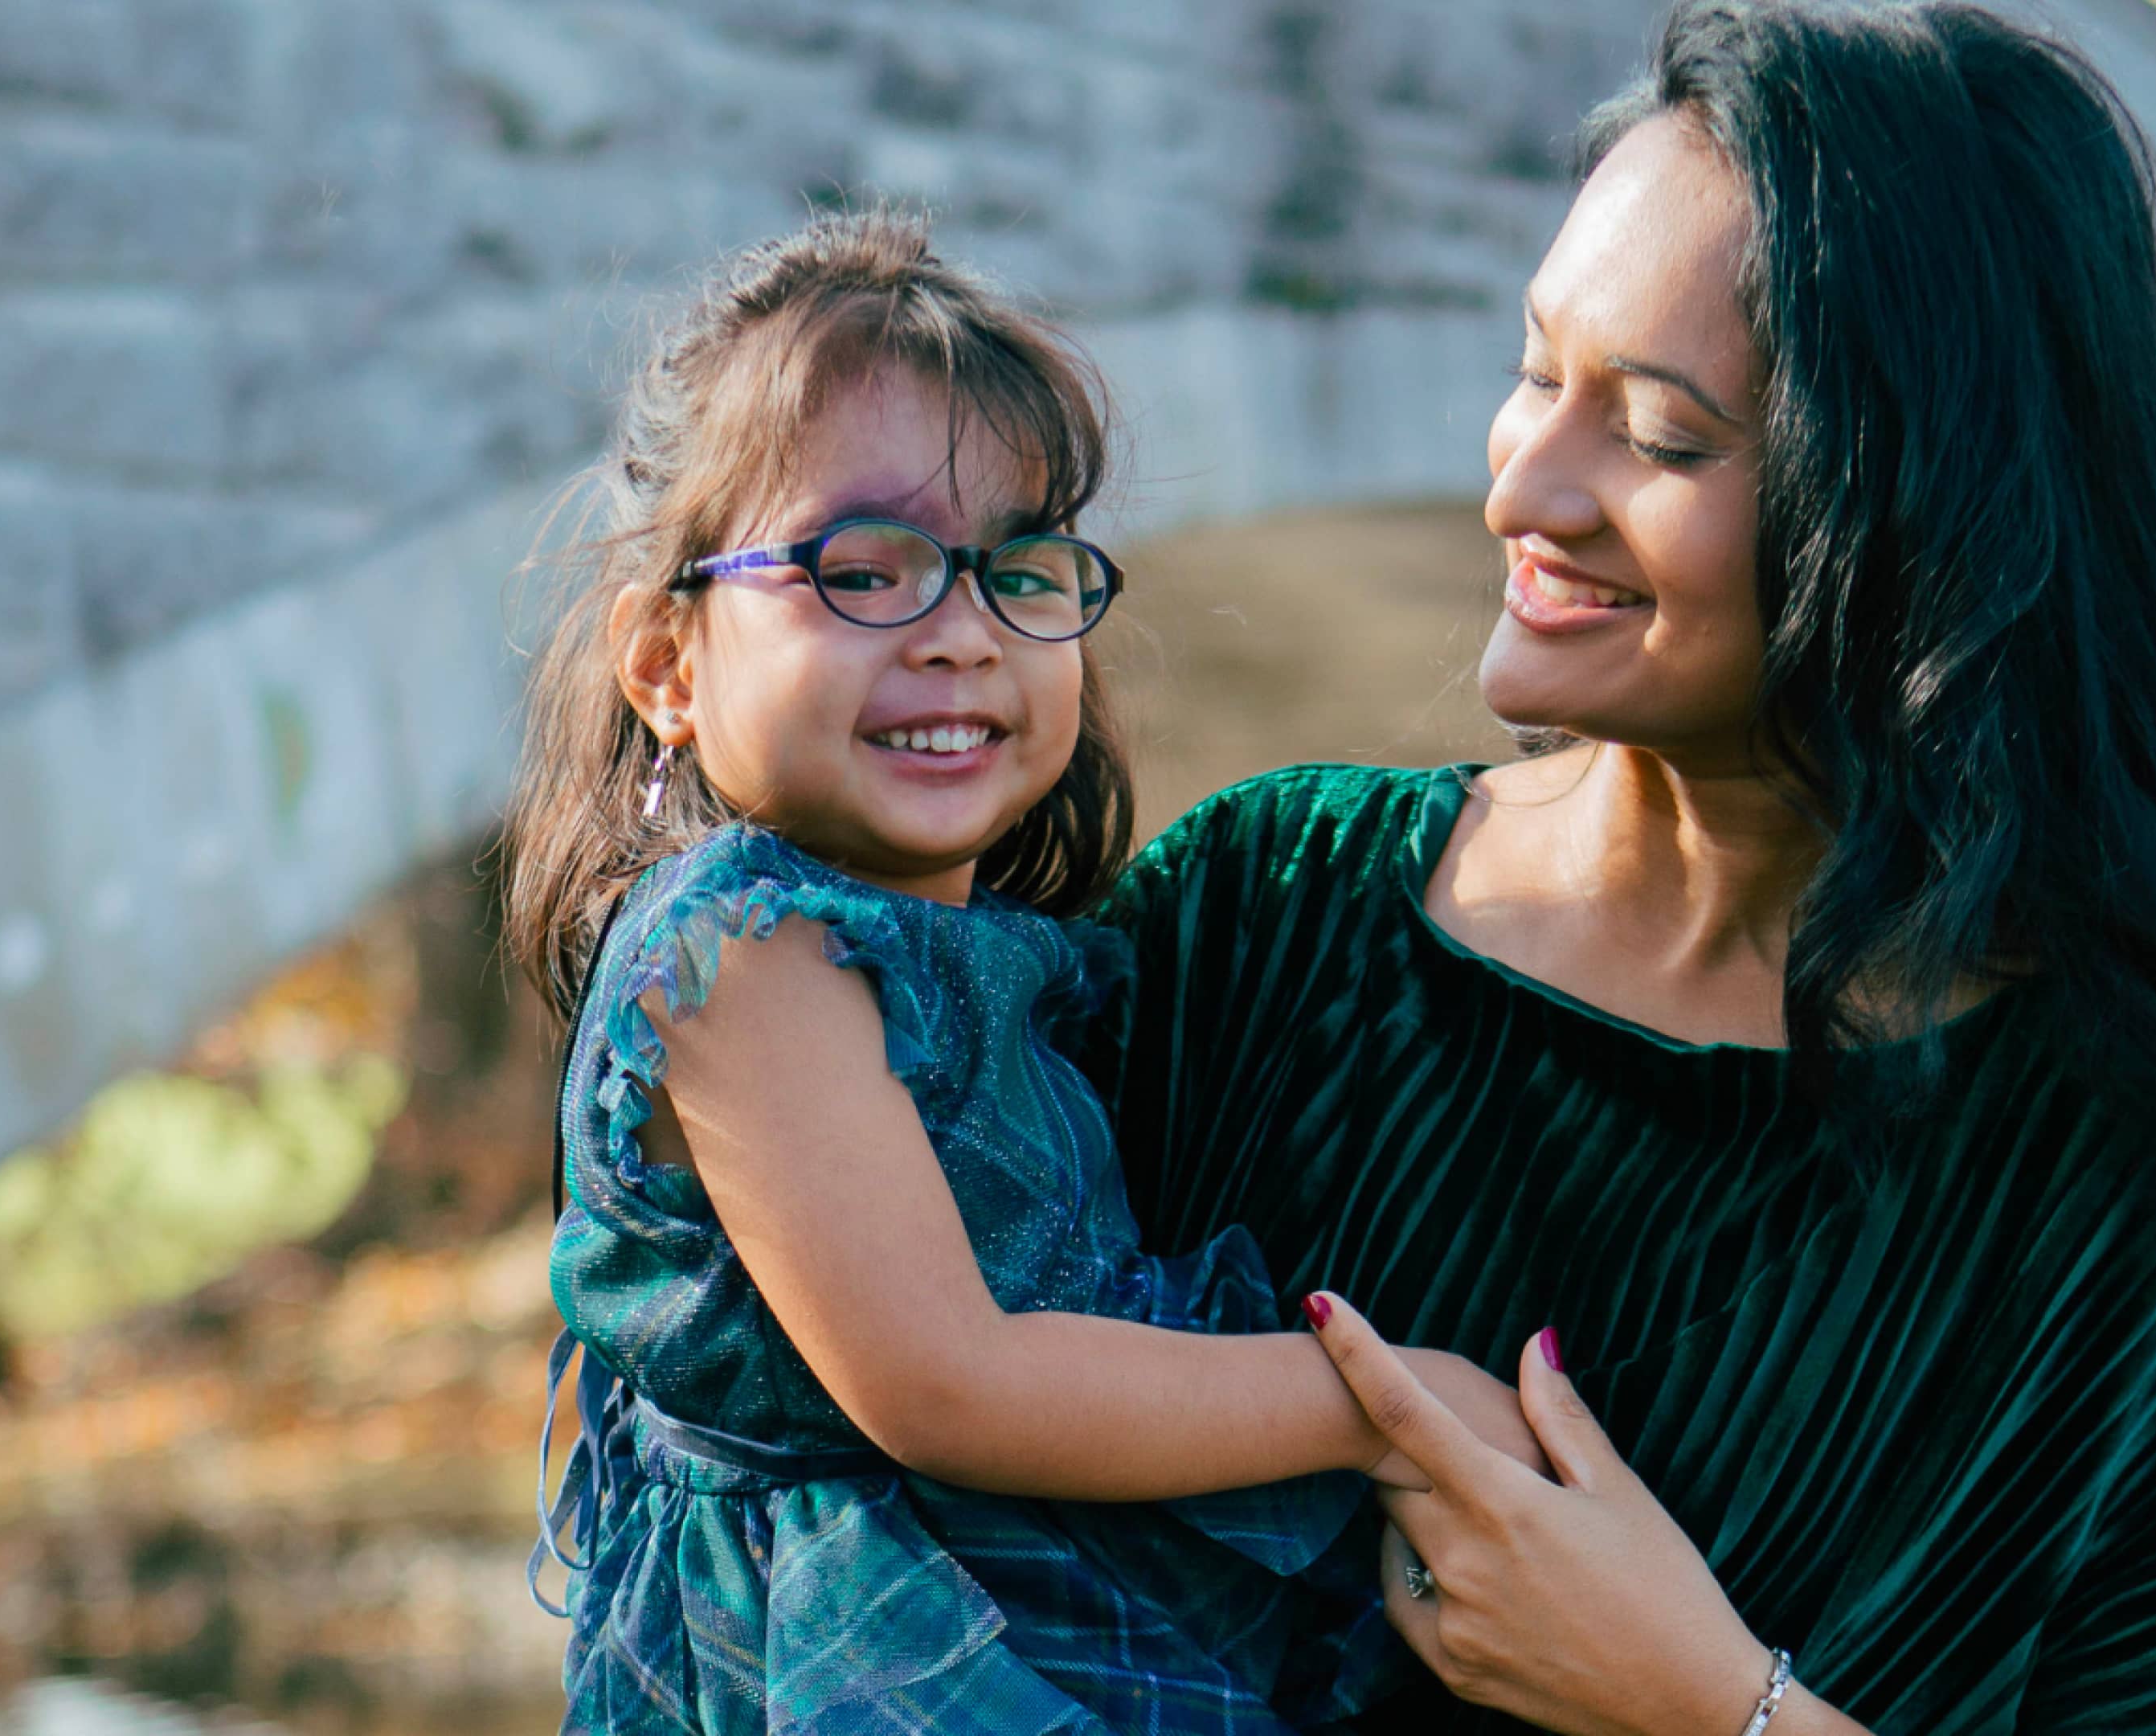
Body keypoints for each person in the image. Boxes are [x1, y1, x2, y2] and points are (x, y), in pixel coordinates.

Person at [1082, 4, 2156, 1733]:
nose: (1527, 486)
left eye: (1663, 436)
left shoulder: (2128, 1187)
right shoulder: (1260, 920)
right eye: (1539, 372)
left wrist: (1714, 1706)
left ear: (1919, 512)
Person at [499, 207, 1544, 1734]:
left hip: (1049, 1584)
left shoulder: (996, 952)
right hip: (868, 1655)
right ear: (666, 665)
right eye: (864, 571)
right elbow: (951, 1384)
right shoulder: (740, 952)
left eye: (1021, 572)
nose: (960, 635)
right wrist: (1381, 1401)